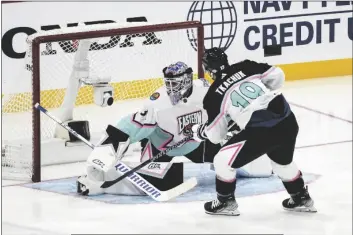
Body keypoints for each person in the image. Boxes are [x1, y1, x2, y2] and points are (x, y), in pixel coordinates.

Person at [77, 61, 272, 196]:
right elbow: (131, 126)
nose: (170, 88)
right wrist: (105, 155)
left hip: (196, 143)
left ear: (187, 80)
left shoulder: (204, 91)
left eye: (175, 83)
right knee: (159, 182)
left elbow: (226, 108)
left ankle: (258, 160)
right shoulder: (158, 102)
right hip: (161, 148)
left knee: (240, 161)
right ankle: (99, 182)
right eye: (167, 83)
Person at [191, 48, 316, 216]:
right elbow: (277, 75)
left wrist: (202, 132)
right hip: (287, 121)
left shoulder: (213, 95)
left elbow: (216, 136)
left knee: (222, 160)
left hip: (262, 132)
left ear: (208, 70)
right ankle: (300, 197)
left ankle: (225, 201)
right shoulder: (246, 66)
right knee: (282, 163)